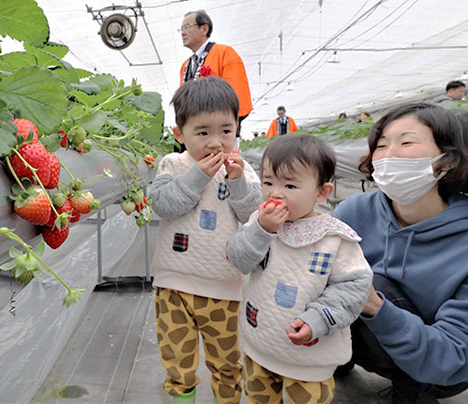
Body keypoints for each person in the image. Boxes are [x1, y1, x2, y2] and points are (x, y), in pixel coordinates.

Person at [333, 103, 468, 403]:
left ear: (446, 161)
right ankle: (338, 359)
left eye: (406, 142)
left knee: (372, 281)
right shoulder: (351, 212)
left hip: (439, 368)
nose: (388, 155)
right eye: (381, 145)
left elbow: (455, 354)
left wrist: (374, 305)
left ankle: (411, 390)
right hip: (362, 338)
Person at [227, 134, 373, 404]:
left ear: (322, 192)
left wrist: (318, 319)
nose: (275, 193)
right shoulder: (260, 223)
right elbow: (239, 259)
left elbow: (353, 289)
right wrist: (261, 231)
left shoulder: (334, 238)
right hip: (259, 347)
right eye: (268, 182)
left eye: (290, 185)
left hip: (309, 359)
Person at [149, 76, 261, 404]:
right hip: (174, 286)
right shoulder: (174, 164)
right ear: (179, 135)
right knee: (178, 362)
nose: (216, 142)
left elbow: (251, 214)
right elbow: (164, 204)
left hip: (225, 288)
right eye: (203, 133)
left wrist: (238, 181)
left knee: (227, 363)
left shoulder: (243, 170)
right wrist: (199, 174)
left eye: (226, 131)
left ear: (237, 131)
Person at [179, 10, 252, 126]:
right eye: (181, 29)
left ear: (204, 29)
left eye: (187, 27)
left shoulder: (225, 53)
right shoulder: (185, 65)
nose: (182, 33)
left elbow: (238, 97)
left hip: (219, 131)